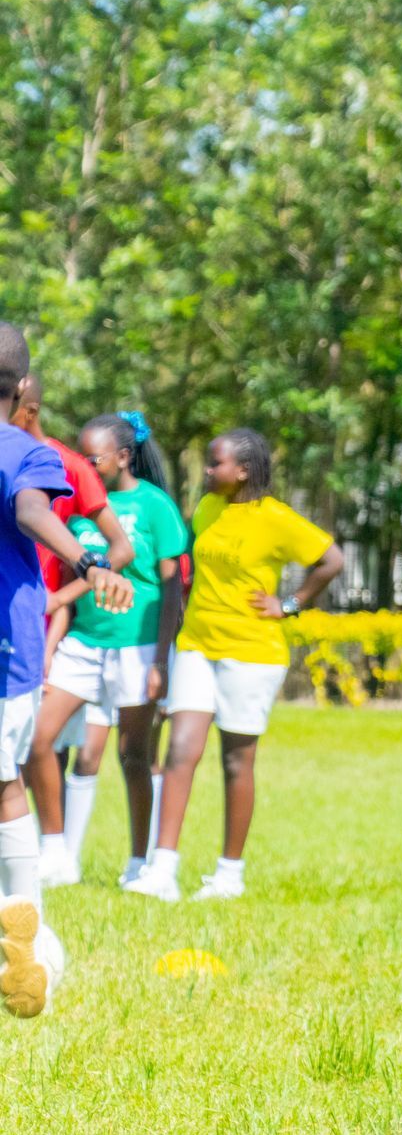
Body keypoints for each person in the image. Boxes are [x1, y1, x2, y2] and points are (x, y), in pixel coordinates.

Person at [126, 429, 344, 902]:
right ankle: (163, 870)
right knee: (181, 750)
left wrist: (290, 604)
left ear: (243, 470)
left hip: (251, 653)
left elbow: (331, 559)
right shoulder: (207, 509)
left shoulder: (277, 519)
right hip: (198, 646)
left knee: (235, 761)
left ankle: (229, 875)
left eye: (215, 464)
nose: (207, 471)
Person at [0, 337, 133, 1018]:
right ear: (23, 388)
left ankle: (26, 935)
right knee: (6, 783)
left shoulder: (47, 453)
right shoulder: (29, 452)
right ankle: (32, 930)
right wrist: (87, 564)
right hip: (9, 649)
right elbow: (30, 511)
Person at [27, 413, 188, 890]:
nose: (85, 466)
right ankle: (56, 854)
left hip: (137, 646)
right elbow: (69, 577)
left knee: (134, 754)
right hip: (85, 642)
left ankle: (142, 863)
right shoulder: (76, 508)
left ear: (123, 457)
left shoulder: (155, 506)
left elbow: (172, 589)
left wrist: (161, 659)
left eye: (92, 458)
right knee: (39, 738)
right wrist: (53, 641)